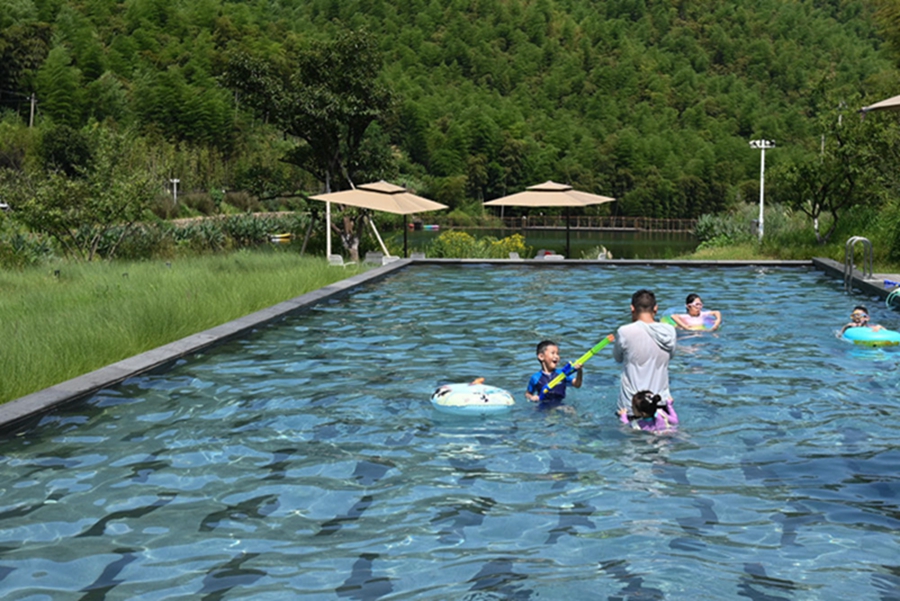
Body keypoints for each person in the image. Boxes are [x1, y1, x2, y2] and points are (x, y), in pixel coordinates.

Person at [613, 289, 676, 413]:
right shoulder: (669, 331)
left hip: (632, 405)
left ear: (632, 308)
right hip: (660, 402)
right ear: (655, 308)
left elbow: (617, 358)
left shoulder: (624, 331)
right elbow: (671, 356)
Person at [525, 340, 582, 410]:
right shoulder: (535, 378)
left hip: (560, 404)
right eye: (553, 353)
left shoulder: (561, 374)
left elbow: (577, 384)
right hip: (543, 406)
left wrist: (579, 371)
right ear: (541, 356)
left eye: (557, 354)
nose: (557, 356)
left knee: (570, 410)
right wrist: (532, 397)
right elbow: (528, 393)